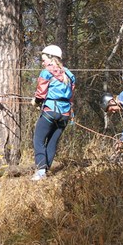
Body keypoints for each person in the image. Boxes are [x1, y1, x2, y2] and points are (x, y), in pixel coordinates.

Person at [31, 45, 75, 181]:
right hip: (65, 114)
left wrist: (36, 102)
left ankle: (40, 171)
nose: (42, 62)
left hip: (51, 110)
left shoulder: (46, 72)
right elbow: (71, 95)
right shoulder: (69, 74)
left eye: (43, 59)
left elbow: (41, 93)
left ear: (50, 58)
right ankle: (46, 170)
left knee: (38, 139)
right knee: (52, 142)